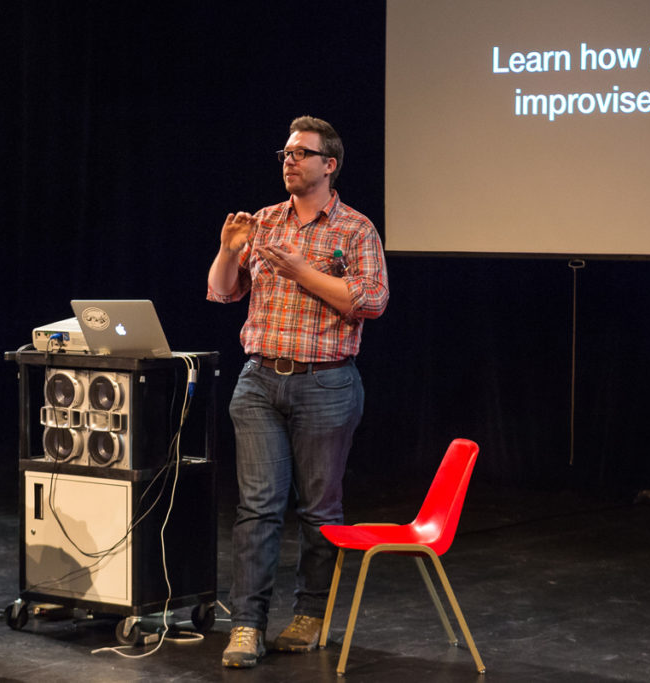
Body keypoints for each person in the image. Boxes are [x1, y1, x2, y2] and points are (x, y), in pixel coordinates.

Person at [207, 116, 389, 668]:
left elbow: (372, 301)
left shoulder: (355, 230)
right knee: (257, 509)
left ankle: (310, 615)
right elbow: (222, 292)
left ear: (328, 165)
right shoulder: (262, 221)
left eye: (302, 153)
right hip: (261, 379)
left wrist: (302, 270)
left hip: (326, 383)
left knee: (319, 511)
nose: (289, 160)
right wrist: (226, 249)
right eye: (286, 152)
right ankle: (246, 626)